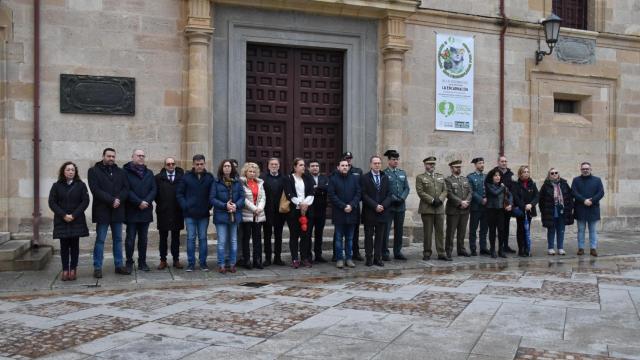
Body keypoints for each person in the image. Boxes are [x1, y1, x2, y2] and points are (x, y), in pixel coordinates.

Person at [88, 148, 129, 278]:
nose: (111, 158)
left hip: (118, 210)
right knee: (100, 239)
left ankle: (118, 265)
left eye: (113, 156)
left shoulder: (121, 172)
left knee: (118, 239)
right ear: (103, 156)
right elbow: (95, 190)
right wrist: (112, 200)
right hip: (102, 211)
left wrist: (119, 200)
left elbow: (125, 188)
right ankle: (97, 267)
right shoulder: (93, 171)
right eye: (108, 156)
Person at [48, 162, 90, 281]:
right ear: (63, 171)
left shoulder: (81, 185)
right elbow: (52, 202)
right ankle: (65, 269)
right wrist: (63, 215)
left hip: (76, 220)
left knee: (75, 246)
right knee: (64, 246)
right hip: (62, 220)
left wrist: (74, 215)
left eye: (73, 170)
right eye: (68, 169)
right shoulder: (56, 186)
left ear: (75, 172)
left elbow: (85, 201)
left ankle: (73, 269)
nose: (71, 172)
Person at [176, 154, 214, 272]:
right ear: (193, 164)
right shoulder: (186, 177)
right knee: (191, 238)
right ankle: (191, 263)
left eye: (201, 164)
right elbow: (179, 194)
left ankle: (203, 263)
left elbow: (212, 194)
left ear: (204, 164)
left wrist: (208, 206)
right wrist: (185, 206)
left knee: (203, 238)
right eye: (197, 164)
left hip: (203, 214)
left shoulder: (209, 177)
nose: (199, 166)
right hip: (190, 214)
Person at [123, 149, 157, 273]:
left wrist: (146, 201)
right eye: (138, 156)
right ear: (132, 157)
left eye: (143, 156)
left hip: (145, 211)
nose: (141, 158)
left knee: (143, 239)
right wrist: (139, 202)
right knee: (130, 238)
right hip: (132, 210)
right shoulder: (125, 172)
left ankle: (142, 262)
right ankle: (129, 262)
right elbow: (126, 190)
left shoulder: (149, 173)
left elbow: (153, 190)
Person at [210, 159, 244, 273]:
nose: (227, 168)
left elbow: (242, 197)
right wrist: (225, 205)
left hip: (234, 215)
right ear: (221, 168)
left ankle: (232, 264)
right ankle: (222, 264)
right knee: (222, 241)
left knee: (233, 240)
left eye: (229, 166)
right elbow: (212, 198)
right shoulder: (216, 182)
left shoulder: (237, 182)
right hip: (221, 215)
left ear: (232, 168)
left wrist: (235, 205)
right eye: (225, 166)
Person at [328, 159, 361, 269]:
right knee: (338, 238)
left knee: (350, 238)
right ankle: (339, 259)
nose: (345, 167)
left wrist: (351, 205)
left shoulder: (354, 179)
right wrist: (343, 206)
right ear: (338, 167)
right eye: (342, 165)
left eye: (346, 165)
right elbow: (332, 196)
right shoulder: (333, 179)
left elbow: (358, 193)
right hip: (339, 213)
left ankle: (349, 258)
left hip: (351, 213)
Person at [360, 155, 392, 267]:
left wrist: (382, 205)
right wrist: (375, 206)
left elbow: (389, 194)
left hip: (382, 212)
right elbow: (363, 195)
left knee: (380, 237)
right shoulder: (364, 178)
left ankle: (377, 258)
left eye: (379, 163)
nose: (377, 165)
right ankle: (369, 257)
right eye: (375, 163)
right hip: (370, 212)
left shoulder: (385, 177)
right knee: (368, 236)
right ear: (371, 165)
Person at [283, 158, 315, 268]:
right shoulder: (289, 178)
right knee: (294, 236)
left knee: (305, 236)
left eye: (303, 165)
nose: (303, 167)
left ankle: (304, 258)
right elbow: (289, 194)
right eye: (301, 165)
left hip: (307, 211)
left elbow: (311, 192)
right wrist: (300, 204)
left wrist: (305, 204)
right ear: (295, 167)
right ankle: (295, 259)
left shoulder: (308, 178)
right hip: (294, 212)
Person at [416, 156, 448, 261]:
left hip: (439, 208)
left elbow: (445, 190)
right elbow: (420, 192)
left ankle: (441, 253)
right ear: (425, 165)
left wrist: (440, 199)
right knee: (428, 232)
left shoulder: (440, 176)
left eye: (433, 164)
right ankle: (427, 253)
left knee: (440, 232)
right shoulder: (420, 177)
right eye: (429, 164)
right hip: (427, 209)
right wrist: (432, 200)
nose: (432, 166)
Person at [155, 157, 184, 270]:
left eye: (173, 164)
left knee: (176, 237)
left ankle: (176, 259)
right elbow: (155, 194)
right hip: (163, 211)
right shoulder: (158, 178)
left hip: (177, 211)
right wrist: (162, 203)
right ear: (165, 165)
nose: (171, 166)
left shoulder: (181, 178)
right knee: (163, 237)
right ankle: (163, 260)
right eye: (168, 164)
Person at [571, 162, 605, 256]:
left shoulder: (597, 180)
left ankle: (593, 248)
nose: (585, 170)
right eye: (583, 169)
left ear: (590, 169)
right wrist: (583, 200)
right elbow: (574, 192)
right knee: (581, 230)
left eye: (587, 168)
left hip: (593, 208)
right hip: (580, 208)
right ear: (581, 170)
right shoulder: (576, 180)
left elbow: (601, 193)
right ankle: (581, 248)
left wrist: (592, 200)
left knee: (593, 230)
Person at [539, 168, 573, 255]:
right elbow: (541, 200)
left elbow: (569, 197)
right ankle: (550, 248)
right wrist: (544, 211)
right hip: (550, 210)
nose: (554, 174)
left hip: (562, 209)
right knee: (551, 229)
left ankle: (560, 248)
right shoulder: (545, 186)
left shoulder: (564, 184)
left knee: (561, 229)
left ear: (558, 174)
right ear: (549, 175)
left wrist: (569, 208)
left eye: (556, 173)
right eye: (552, 173)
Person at [382, 150, 410, 261]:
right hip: (389, 206)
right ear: (389, 160)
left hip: (400, 206)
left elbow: (407, 188)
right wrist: (393, 198)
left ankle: (397, 252)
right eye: (393, 159)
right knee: (386, 230)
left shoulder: (402, 173)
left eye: (397, 159)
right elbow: (384, 189)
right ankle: (384, 252)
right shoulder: (384, 173)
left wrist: (402, 198)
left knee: (399, 230)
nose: (395, 161)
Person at [240, 162, 266, 269]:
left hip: (258, 215)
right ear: (245, 172)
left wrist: (259, 208)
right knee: (246, 239)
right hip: (247, 215)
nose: (252, 173)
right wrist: (254, 208)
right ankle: (247, 261)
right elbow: (243, 198)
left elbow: (263, 197)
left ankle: (257, 261)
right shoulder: (242, 183)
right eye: (250, 171)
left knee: (257, 239)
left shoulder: (259, 183)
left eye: (254, 172)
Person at [260, 158, 286, 266]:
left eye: (276, 164)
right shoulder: (262, 178)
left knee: (278, 235)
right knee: (267, 235)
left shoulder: (284, 178)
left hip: (280, 212)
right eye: (272, 164)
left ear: (279, 166)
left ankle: (278, 258)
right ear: (268, 166)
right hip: (267, 211)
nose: (274, 166)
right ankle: (267, 258)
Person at [445, 160, 472, 258]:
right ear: (451, 168)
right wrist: (460, 202)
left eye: (459, 167)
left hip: (465, 210)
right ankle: (448, 250)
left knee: (462, 231)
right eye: (456, 167)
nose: (458, 169)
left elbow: (470, 191)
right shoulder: (448, 180)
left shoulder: (465, 179)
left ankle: (461, 249)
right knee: (450, 232)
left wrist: (466, 202)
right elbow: (449, 193)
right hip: (453, 210)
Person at [485, 168, 513, 258]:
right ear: (492, 177)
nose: (498, 177)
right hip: (491, 210)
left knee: (501, 230)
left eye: (499, 175)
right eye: (495, 175)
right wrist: (502, 187)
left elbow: (510, 195)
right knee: (492, 230)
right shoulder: (488, 184)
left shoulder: (502, 185)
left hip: (501, 210)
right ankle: (492, 249)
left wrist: (510, 204)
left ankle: (501, 250)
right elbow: (495, 193)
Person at [512, 165, 539, 257]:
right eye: (524, 172)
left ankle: (527, 248)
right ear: (520, 174)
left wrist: (531, 204)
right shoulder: (516, 184)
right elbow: (515, 197)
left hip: (530, 210)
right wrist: (523, 206)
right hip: (521, 210)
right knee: (521, 229)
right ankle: (521, 249)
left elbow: (537, 196)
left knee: (527, 229)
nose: (526, 173)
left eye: (528, 172)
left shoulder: (532, 184)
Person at [342, 151, 364, 261]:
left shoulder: (358, 171)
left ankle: (356, 252)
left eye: (350, 158)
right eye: (346, 158)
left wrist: (353, 203)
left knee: (355, 231)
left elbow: (361, 189)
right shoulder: (339, 170)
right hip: (342, 206)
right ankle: (337, 254)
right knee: (340, 232)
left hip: (354, 206)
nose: (348, 160)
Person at [493, 156, 516, 253]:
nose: (504, 163)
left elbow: (513, 190)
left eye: (505, 161)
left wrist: (511, 204)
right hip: (497, 204)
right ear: (498, 162)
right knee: (497, 227)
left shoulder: (510, 174)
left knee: (506, 226)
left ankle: (505, 246)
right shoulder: (494, 173)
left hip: (507, 205)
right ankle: (497, 247)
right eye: (502, 161)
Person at [307, 160, 329, 263]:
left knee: (319, 234)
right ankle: (308, 255)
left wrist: (317, 188)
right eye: (312, 166)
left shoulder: (324, 178)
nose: (315, 167)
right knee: (308, 234)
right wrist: (320, 190)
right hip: (309, 211)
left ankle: (318, 255)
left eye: (316, 166)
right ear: (309, 168)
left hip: (321, 211)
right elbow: (307, 190)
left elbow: (327, 188)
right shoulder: (306, 178)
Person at [467, 157, 489, 256]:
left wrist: (487, 199)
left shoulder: (486, 176)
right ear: (475, 165)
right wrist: (481, 200)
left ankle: (483, 247)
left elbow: (489, 189)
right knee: (473, 229)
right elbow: (471, 191)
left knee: (484, 229)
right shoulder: (470, 177)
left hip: (486, 207)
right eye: (480, 163)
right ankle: (473, 248)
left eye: (483, 163)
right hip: (476, 207)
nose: (482, 165)